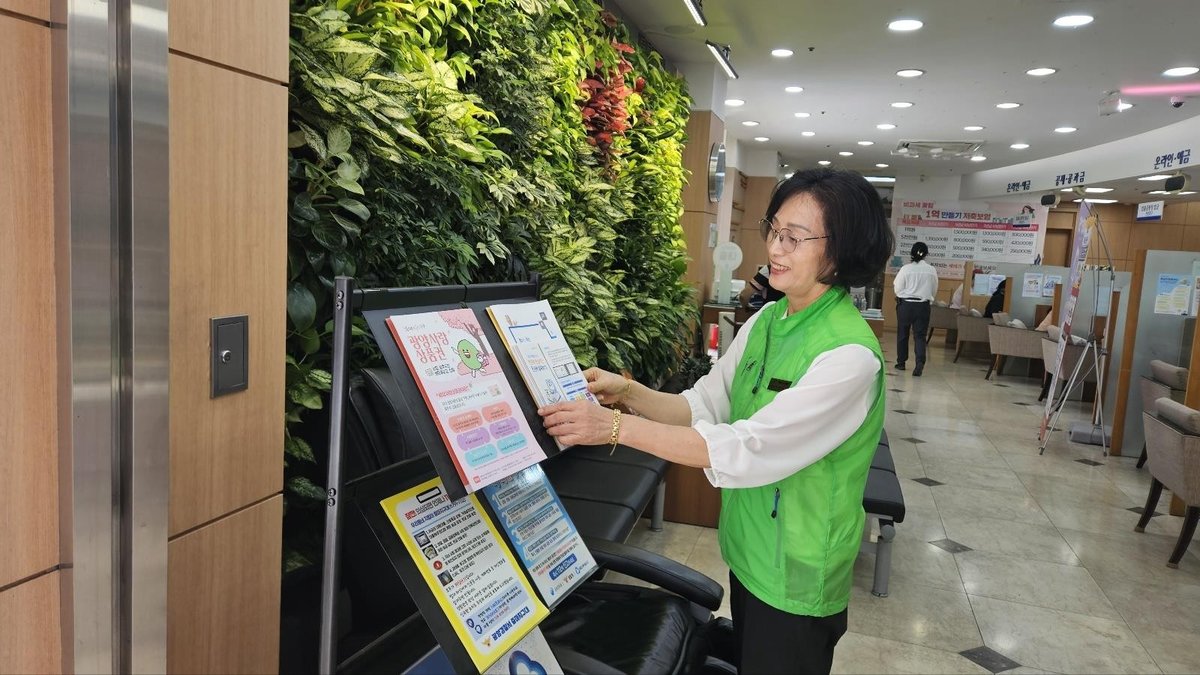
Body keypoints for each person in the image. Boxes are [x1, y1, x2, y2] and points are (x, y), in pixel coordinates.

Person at [538, 168, 894, 675]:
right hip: (750, 549)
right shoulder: (768, 321)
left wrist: (615, 429)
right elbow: (703, 403)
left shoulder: (848, 356)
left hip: (797, 571)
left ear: (840, 252)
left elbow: (745, 448)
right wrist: (628, 393)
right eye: (774, 230)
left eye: (794, 238)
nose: (775, 248)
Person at [891, 242, 939, 376]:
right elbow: (934, 289)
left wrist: (904, 295)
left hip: (905, 306)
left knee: (903, 334)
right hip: (922, 306)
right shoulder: (931, 270)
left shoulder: (905, 269)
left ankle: (901, 362)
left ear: (911, 253)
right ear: (926, 254)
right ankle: (919, 363)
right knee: (920, 336)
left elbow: (898, 288)